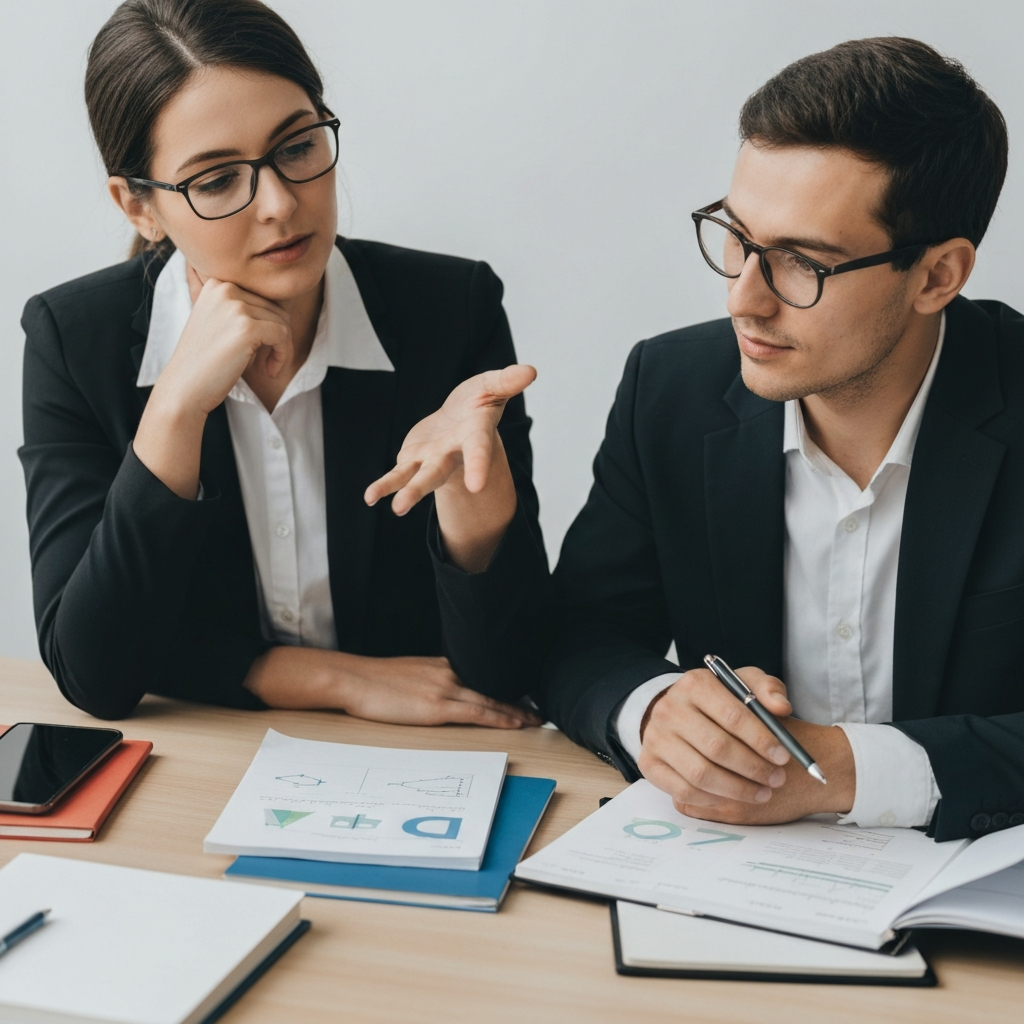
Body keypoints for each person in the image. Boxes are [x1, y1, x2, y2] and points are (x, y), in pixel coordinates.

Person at [368, 37, 1024, 842]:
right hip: (725, 877)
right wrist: (654, 710)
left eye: (801, 263)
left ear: (937, 276)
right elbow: (582, 637)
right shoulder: (671, 388)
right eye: (737, 237)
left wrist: (836, 770)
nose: (743, 297)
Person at [19, 0, 540, 730]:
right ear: (138, 207)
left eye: (297, 147)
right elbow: (94, 671)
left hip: (428, 766)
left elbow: (505, 672)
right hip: (212, 763)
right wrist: (174, 412)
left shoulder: (452, 312)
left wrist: (471, 505)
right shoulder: (74, 339)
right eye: (216, 180)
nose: (279, 204)